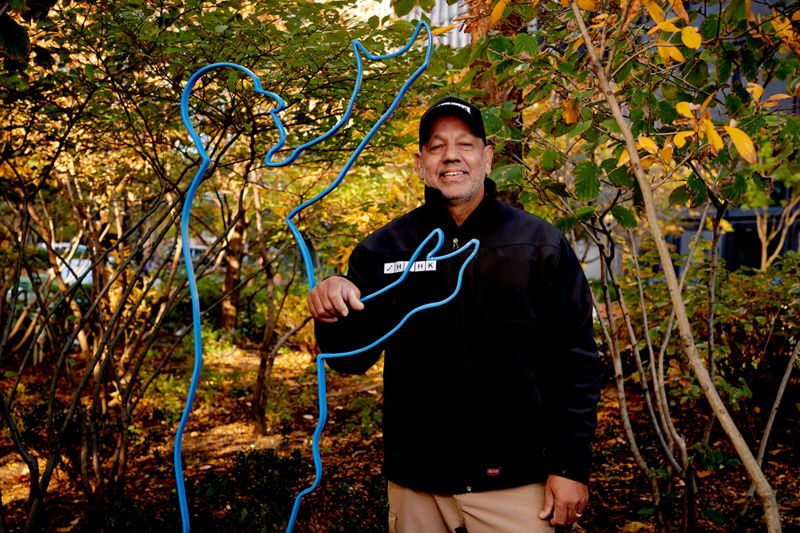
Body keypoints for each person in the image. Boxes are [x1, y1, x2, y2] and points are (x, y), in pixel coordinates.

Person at [308, 96, 600, 532]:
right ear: (420, 163)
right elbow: (351, 359)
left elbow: (576, 364)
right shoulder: (385, 250)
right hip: (417, 487)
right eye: (436, 146)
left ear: (487, 156)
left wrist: (571, 466)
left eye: (464, 144)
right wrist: (331, 308)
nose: (451, 156)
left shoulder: (539, 245)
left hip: (518, 485)